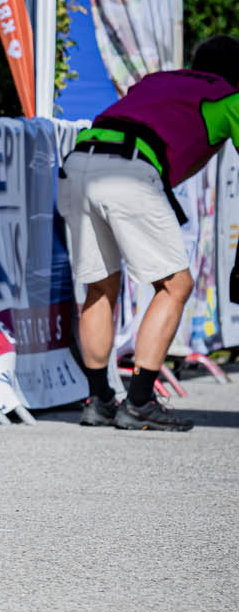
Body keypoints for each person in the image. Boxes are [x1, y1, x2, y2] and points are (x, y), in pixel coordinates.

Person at [59, 34, 239, 432]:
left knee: (99, 287)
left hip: (79, 160)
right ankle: (139, 401)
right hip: (129, 170)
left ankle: (99, 401)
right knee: (176, 285)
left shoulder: (158, 80)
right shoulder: (229, 97)